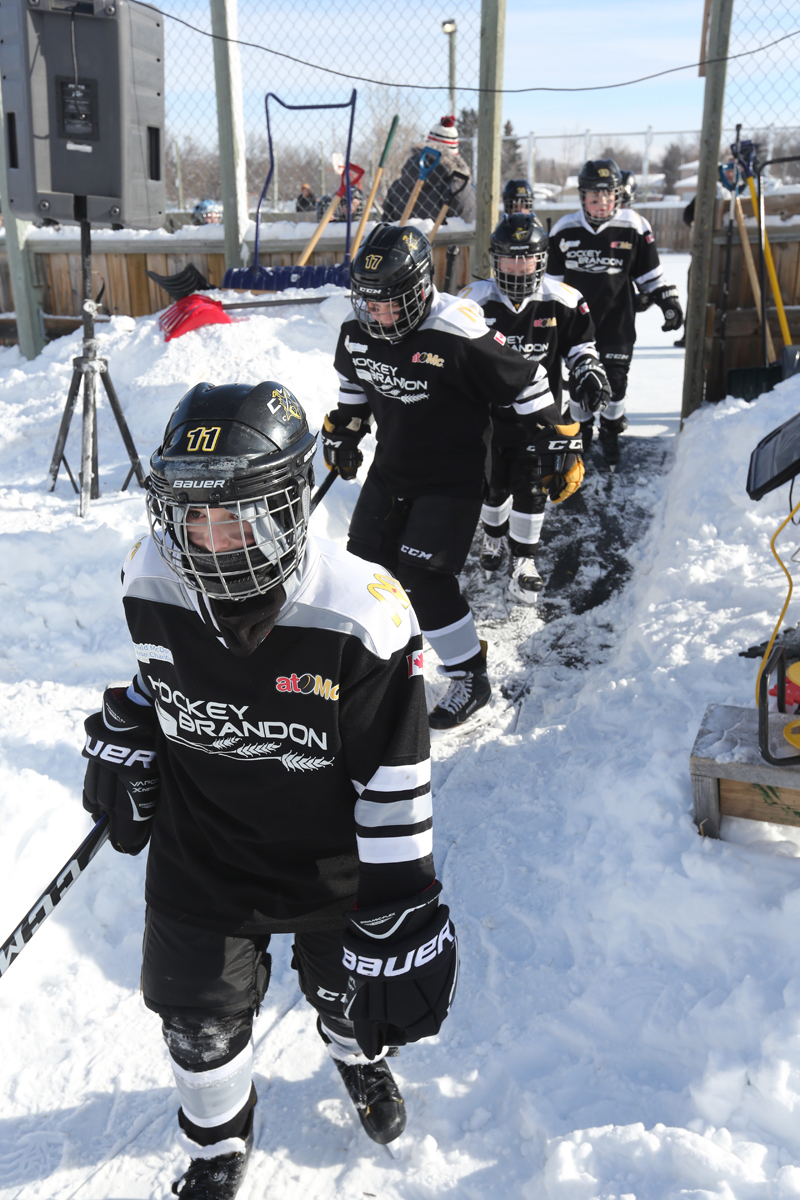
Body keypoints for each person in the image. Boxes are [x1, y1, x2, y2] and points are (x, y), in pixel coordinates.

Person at [80, 381, 458, 1198]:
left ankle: (359, 1060)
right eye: (192, 516)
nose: (212, 542)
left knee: (349, 1000)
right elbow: (167, 677)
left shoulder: (362, 612)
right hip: (204, 852)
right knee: (196, 1023)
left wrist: (400, 896)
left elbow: (395, 773)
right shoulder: (148, 576)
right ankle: (216, 1147)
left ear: (290, 504)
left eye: (236, 516)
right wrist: (131, 725)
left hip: (332, 867)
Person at [321, 223, 584, 729]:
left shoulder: (457, 327)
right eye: (367, 300)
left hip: (452, 476)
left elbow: (525, 379)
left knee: (423, 576)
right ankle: (383, 666)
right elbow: (353, 386)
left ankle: (470, 676)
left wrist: (560, 438)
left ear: (420, 289)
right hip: (392, 469)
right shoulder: (357, 330)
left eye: (388, 302)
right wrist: (345, 433)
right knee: (366, 573)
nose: (374, 313)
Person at [459, 213, 609, 601]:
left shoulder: (564, 299)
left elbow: (581, 346)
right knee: (493, 491)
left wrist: (589, 370)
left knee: (533, 487)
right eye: (509, 258)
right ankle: (493, 537)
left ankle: (524, 560)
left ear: (541, 260)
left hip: (539, 417)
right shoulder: (473, 301)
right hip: (487, 420)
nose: (517, 267)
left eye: (526, 258)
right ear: (495, 260)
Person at [547, 159, 683, 467]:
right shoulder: (564, 229)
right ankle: (581, 432)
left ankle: (610, 429)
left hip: (618, 322)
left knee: (616, 384)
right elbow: (551, 287)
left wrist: (668, 302)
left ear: (618, 195)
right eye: (593, 197)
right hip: (578, 326)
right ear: (582, 197)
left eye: (607, 196)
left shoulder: (634, 225)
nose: (600, 203)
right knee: (582, 383)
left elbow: (650, 275)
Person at [382, 116, 476, 224]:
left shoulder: (398, 186)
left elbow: (386, 228)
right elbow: (469, 226)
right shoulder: (457, 186)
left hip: (405, 240)